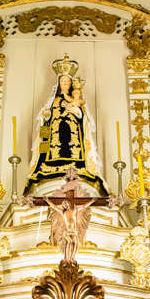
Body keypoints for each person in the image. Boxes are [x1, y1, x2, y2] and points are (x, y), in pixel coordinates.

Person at [25, 54, 106, 196]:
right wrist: (46, 116)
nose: (65, 84)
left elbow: (83, 117)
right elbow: (45, 117)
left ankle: (77, 166)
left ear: (70, 84)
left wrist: (76, 111)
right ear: (58, 83)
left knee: (74, 147)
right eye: (62, 82)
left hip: (73, 133)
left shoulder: (75, 98)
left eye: (67, 82)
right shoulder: (53, 100)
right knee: (54, 147)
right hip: (55, 134)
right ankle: (52, 167)